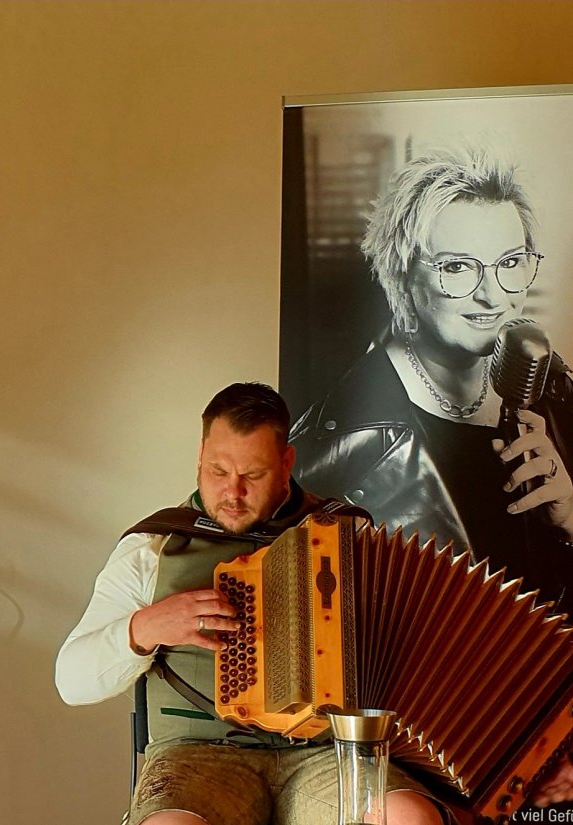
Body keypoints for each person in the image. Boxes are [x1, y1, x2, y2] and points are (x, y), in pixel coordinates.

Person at [55, 383, 447, 825]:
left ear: (286, 463)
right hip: (198, 758)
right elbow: (71, 682)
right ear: (201, 454)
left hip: (325, 754)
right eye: (218, 471)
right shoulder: (153, 547)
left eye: (253, 475)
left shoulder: (348, 538)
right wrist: (145, 628)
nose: (232, 492)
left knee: (409, 817)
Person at [289, 144, 573, 612]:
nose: (491, 296)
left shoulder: (556, 396)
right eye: (457, 267)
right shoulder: (329, 449)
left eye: (509, 263)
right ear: (401, 277)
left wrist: (570, 521)